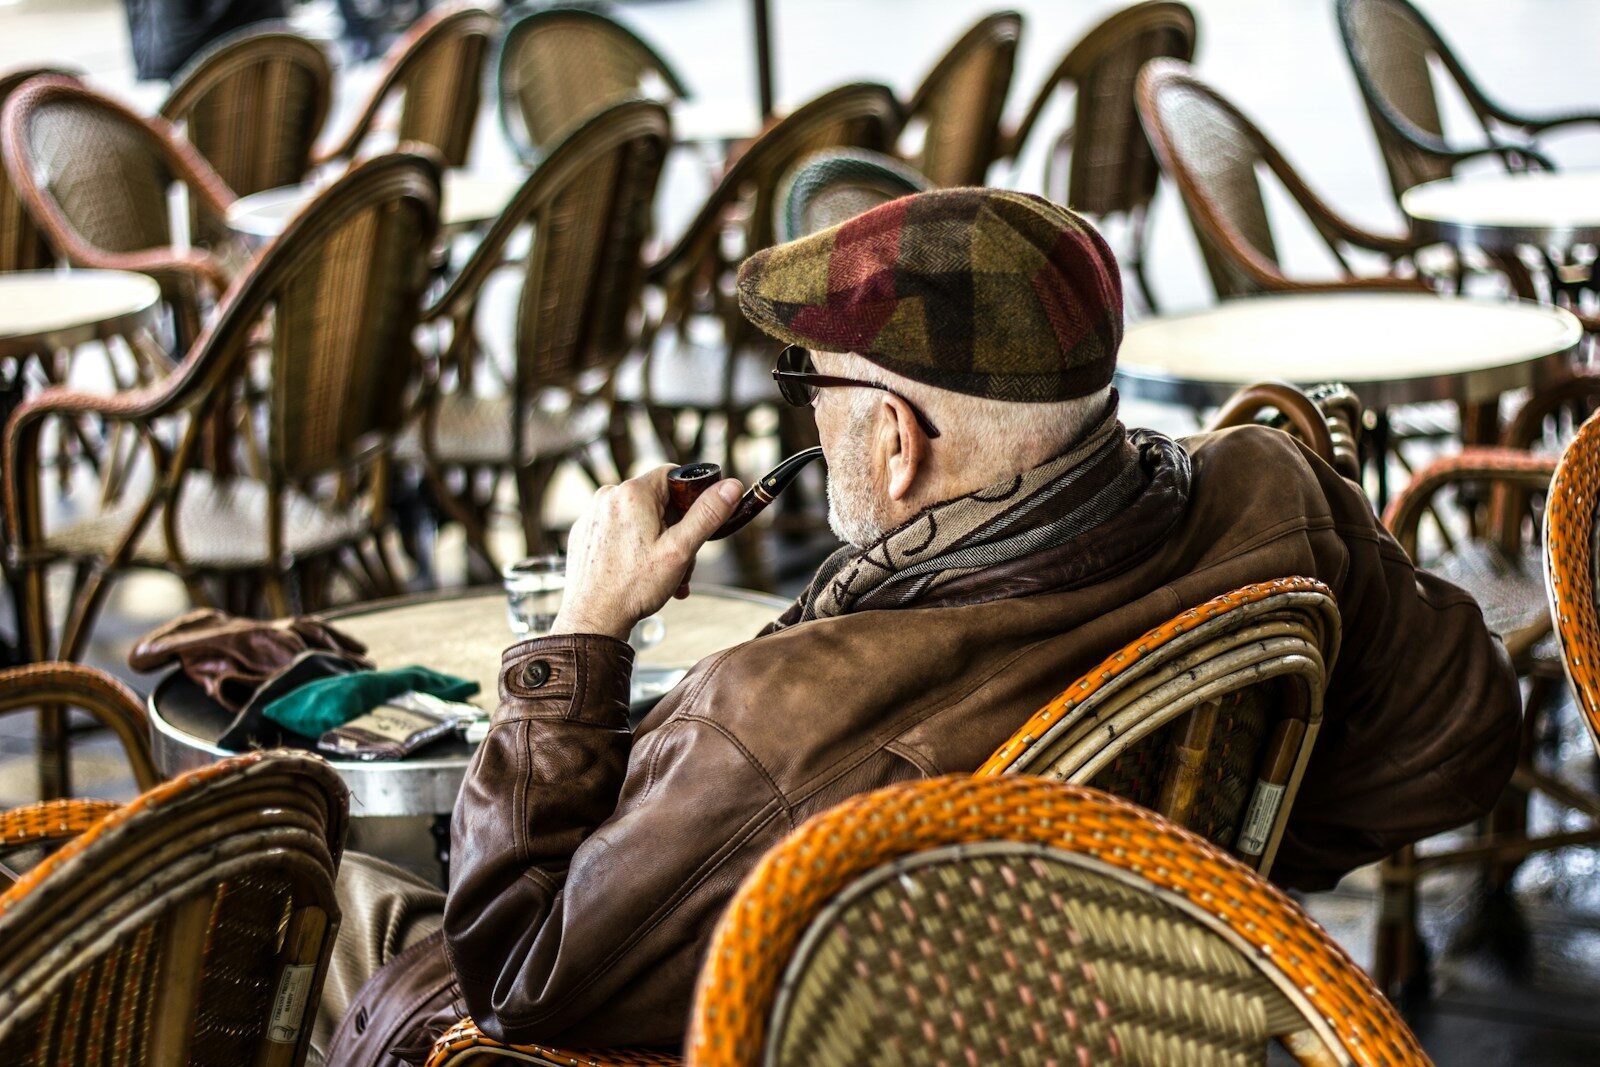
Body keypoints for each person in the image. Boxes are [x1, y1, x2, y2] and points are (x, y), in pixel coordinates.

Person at [318, 189, 1519, 1064]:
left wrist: (581, 633)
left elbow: (519, 970)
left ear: (895, 441)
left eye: (809, 384)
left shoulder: (778, 726)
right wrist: (1188, 890)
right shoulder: (1270, 489)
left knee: (318, 901)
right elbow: (1459, 735)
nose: (805, 413)